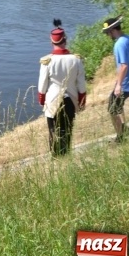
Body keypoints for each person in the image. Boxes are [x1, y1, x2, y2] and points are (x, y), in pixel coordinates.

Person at [37, 19, 87, 156]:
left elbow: (42, 86)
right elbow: (81, 85)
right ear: (65, 40)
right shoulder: (76, 60)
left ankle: (55, 156)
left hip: (53, 100)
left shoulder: (47, 61)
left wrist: (42, 100)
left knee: (53, 130)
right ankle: (66, 154)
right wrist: (82, 101)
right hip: (70, 99)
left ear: (51, 41)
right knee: (68, 129)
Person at [103, 16, 129, 143]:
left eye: (107, 33)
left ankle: (121, 137)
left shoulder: (119, 44)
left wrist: (119, 85)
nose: (107, 35)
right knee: (119, 105)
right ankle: (124, 128)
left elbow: (124, 66)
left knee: (112, 108)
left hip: (127, 83)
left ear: (112, 31)